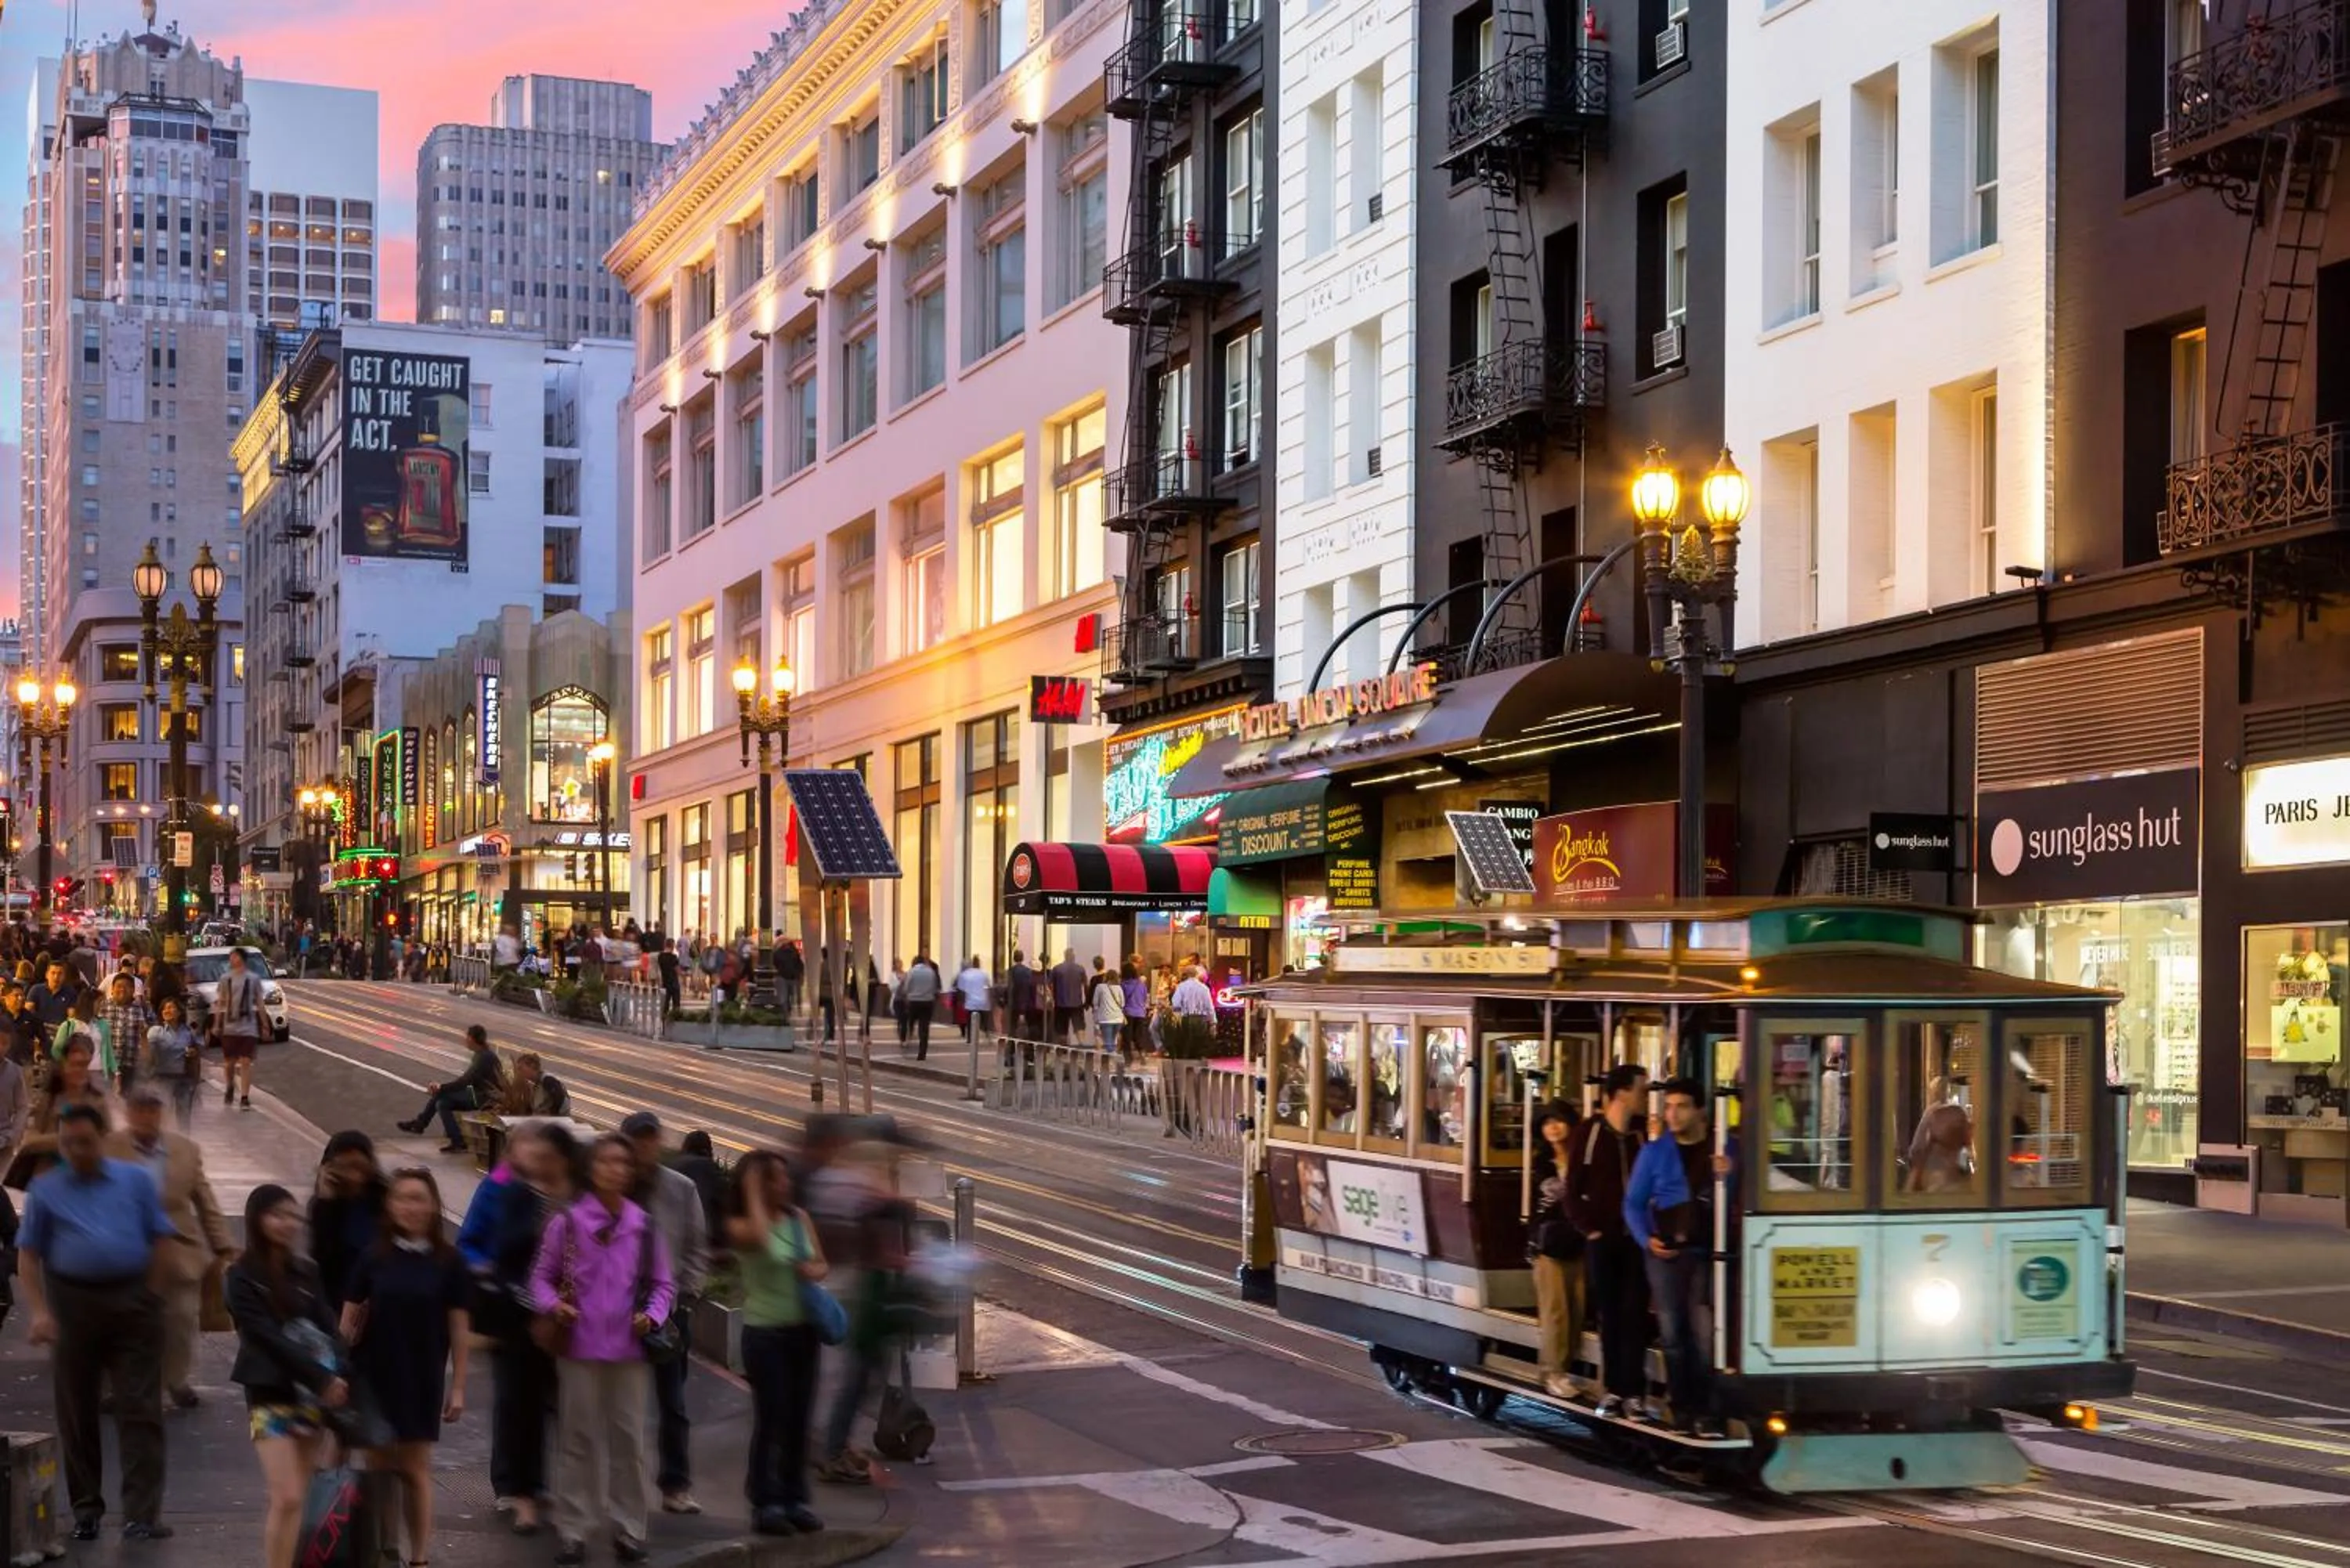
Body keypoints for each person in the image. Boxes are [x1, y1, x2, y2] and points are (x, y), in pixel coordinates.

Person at [17, 1102, 179, 1541]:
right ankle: (85, 1509)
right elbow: (28, 1255)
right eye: (67, 1143)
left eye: (85, 1142)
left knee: (140, 1407)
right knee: (77, 1409)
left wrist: (152, 1296)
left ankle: (142, 1514)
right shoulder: (46, 1189)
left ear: (103, 1139)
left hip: (133, 1300)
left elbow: (161, 1238)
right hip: (72, 1303)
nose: (76, 1151)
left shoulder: (135, 1181)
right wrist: (40, 1311)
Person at [530, 1134, 674, 1566]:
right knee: (577, 1440)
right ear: (591, 1169)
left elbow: (665, 1284)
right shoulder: (568, 1223)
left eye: (623, 1163)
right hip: (578, 1348)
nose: (617, 1169)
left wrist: (653, 1315)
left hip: (629, 1352)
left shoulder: (644, 1226)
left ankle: (630, 1529)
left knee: (629, 1443)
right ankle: (573, 1529)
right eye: (607, 1161)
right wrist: (555, 1306)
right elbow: (540, 1278)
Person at [340, 1166, 472, 1566]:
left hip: (422, 1375)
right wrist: (338, 1369)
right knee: (378, 1469)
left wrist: (459, 1386)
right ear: (389, 1205)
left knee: (414, 1469)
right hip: (374, 1375)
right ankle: (384, 1551)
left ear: (433, 1206)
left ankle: (418, 1558)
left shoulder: (450, 1261)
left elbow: (459, 1328)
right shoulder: (373, 1256)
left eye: (419, 1199)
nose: (411, 1207)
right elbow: (345, 1323)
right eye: (402, 1198)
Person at [226, 1183, 351, 1568]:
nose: (286, 1223)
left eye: (292, 1216)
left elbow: (329, 1327)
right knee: (288, 1496)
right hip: (270, 1393)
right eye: (276, 1214)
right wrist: (322, 1378)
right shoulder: (241, 1275)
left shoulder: (306, 1271)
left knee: (299, 1494)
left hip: (311, 1397)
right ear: (257, 1218)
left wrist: (342, 1373)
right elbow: (264, 1336)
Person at [476, 1124, 577, 1534]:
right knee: (520, 1406)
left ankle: (540, 1485)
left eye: (549, 1154)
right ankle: (522, 1493)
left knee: (559, 1406)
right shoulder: (518, 1191)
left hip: (567, 1320)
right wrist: (546, 1225)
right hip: (521, 1317)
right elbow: (504, 1248)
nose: (541, 1161)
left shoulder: (579, 1197)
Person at [106, 1084, 233, 1410]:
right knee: (125, 1324)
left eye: (153, 1110)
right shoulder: (109, 1149)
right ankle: (123, 1386)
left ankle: (173, 1380)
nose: (147, 1117)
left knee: (179, 1319)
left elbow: (206, 1201)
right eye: (140, 1110)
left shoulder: (186, 1150)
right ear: (129, 1113)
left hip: (178, 1248)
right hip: (126, 1249)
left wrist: (224, 1245)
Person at [727, 1150, 828, 1535]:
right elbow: (765, 1244)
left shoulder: (799, 1218)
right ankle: (764, 1501)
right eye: (777, 1178)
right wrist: (752, 1188)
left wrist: (811, 1270)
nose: (786, 1184)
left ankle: (794, 1498)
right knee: (772, 1417)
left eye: (786, 1177)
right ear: (760, 1184)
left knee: (799, 1418)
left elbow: (822, 1263)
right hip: (764, 1334)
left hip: (802, 1331)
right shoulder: (741, 1225)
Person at [1625, 1078, 1729, 1436]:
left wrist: (1728, 1177)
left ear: (1701, 1110)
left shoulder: (1724, 1148)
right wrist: (1645, 1240)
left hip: (1707, 1253)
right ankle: (1682, 1408)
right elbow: (1633, 1204)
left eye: (1681, 1106)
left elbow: (1745, 1195)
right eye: (1668, 1107)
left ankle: (1709, 1411)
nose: (1673, 1114)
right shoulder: (1655, 1152)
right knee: (1672, 1333)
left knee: (1705, 1335)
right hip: (1665, 1255)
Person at [620, 1111, 709, 1516]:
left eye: (650, 1140)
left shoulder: (680, 1188)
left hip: (669, 1313)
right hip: (618, 1314)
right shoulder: (614, 1187)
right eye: (637, 1141)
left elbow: (695, 1245)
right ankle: (622, 1488)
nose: (644, 1149)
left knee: (672, 1402)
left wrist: (687, 1295)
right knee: (623, 1405)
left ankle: (676, 1484)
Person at [1565, 1064, 1647, 1418]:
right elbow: (1572, 1189)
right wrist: (1590, 1229)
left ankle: (1635, 1393)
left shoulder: (1643, 1134)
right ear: (1621, 1093)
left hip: (1638, 1239)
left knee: (1636, 1314)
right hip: (1605, 1238)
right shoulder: (1590, 1133)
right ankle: (1615, 1389)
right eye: (1641, 1088)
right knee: (1611, 1314)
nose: (1646, 1095)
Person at [1528, 1100, 1584, 1398]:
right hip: (1549, 1245)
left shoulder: (1582, 1160)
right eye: (1547, 1122)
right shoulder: (1540, 1164)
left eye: (1559, 1120)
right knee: (1555, 1312)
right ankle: (1553, 1372)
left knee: (1577, 1308)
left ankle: (1566, 1367)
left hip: (1579, 1241)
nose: (1553, 1127)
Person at [309, 1130, 389, 1316]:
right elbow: (321, 1263)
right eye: (344, 1167)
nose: (354, 1175)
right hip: (339, 1305)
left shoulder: (384, 1201)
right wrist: (326, 1202)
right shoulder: (323, 1206)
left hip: (381, 1301)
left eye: (359, 1166)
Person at [397, 1024, 505, 1153]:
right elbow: (466, 1081)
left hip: (484, 1098)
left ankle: (421, 1124)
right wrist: (442, 1088)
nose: (465, 1040)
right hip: (477, 1093)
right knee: (443, 1103)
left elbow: (465, 1082)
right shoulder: (482, 1055)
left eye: (467, 1037)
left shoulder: (485, 1057)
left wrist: (441, 1088)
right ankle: (457, 1141)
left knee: (442, 1095)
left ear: (472, 1038)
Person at [20, 1036, 117, 1178]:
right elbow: (29, 1141)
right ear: (64, 1064)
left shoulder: (97, 1101)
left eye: (84, 1065)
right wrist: (69, 1139)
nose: (80, 1070)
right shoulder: (50, 1098)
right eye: (75, 1064)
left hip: (86, 1179)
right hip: (50, 1177)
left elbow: (109, 1143)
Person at [214, 947, 265, 1111]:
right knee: (229, 1063)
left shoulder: (253, 979)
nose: (231, 960)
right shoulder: (225, 979)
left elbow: (259, 1001)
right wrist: (217, 1023)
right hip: (230, 1027)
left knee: (246, 1061)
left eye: (234, 956)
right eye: (231, 957)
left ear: (241, 958)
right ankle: (230, 1085)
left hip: (248, 1026)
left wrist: (264, 1023)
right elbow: (220, 1002)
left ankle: (244, 1097)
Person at [143, 998, 203, 1132]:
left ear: (180, 1012)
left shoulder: (188, 1032)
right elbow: (148, 1053)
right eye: (165, 1008)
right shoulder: (156, 1032)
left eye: (171, 1007)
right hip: (162, 1077)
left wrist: (194, 1052)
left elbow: (200, 1049)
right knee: (163, 1113)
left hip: (184, 1078)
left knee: (184, 1115)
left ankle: (184, 1142)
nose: (167, 1011)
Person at [98, 973, 151, 1097]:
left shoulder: (140, 1009)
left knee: (127, 1102)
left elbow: (148, 1033)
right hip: (107, 1065)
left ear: (133, 990)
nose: (122, 989)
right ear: (112, 989)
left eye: (127, 986)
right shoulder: (103, 1006)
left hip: (130, 1065)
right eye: (119, 986)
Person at [671, 1130, 726, 1237]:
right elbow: (721, 1202)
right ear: (708, 1149)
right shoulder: (710, 1168)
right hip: (701, 1232)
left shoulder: (674, 1165)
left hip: (674, 1228)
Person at [502, 1052, 573, 1118]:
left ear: (532, 1066)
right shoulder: (535, 1086)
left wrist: (550, 1116)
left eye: (521, 1068)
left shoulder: (548, 1080)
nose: (519, 1072)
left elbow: (560, 1100)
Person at [897, 953, 941, 1060]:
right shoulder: (931, 972)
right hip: (927, 1002)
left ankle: (908, 1041)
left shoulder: (912, 972)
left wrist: (907, 995)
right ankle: (922, 1053)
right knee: (924, 1027)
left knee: (910, 1023)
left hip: (914, 1001)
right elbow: (935, 987)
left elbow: (906, 987)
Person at [27, 959, 80, 1032]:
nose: (56, 977)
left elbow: (71, 1017)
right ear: (47, 975)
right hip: (39, 1030)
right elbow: (27, 1011)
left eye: (60, 974)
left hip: (59, 1031)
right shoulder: (36, 989)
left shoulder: (70, 992)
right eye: (53, 973)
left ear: (64, 976)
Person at [953, 956, 992, 1054]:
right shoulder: (984, 974)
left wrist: (962, 1000)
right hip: (983, 1001)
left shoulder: (965, 975)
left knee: (970, 1021)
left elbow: (961, 989)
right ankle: (987, 1035)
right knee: (984, 1020)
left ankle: (971, 1039)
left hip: (970, 1002)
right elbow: (988, 986)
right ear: (979, 963)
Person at [1049, 949, 1087, 1042]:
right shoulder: (1080, 969)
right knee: (1079, 1027)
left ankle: (1062, 1051)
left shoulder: (1057, 969)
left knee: (1061, 1030)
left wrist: (1052, 998)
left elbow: (1050, 985)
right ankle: (1081, 1047)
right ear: (1074, 957)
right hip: (1077, 1003)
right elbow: (1086, 985)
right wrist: (1087, 1001)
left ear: (1065, 956)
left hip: (1061, 1004)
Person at [1091, 963, 1125, 1057]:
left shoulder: (1100, 987)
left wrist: (1096, 1015)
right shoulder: (1119, 988)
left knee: (1108, 1041)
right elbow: (1123, 1004)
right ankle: (1114, 1058)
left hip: (1105, 1018)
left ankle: (1113, 1060)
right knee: (1113, 1039)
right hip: (1118, 1018)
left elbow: (1095, 1003)